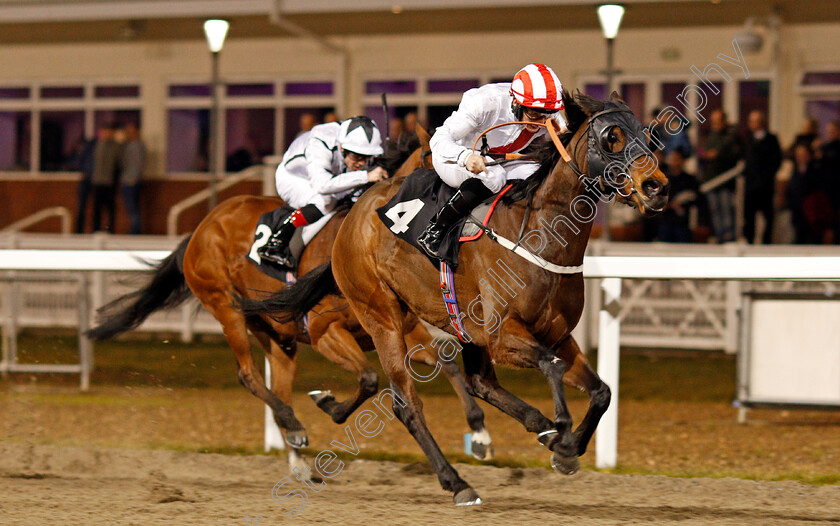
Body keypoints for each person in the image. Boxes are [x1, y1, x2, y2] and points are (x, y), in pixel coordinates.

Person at [418, 63, 568, 257]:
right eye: (533, 114)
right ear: (516, 101)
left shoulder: (546, 108)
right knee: (495, 176)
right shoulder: (486, 103)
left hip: (498, 159)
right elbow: (439, 139)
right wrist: (466, 157)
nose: (539, 122)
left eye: (545, 116)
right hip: (454, 159)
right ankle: (435, 230)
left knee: (537, 172)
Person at [258, 116, 387, 266]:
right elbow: (322, 185)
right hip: (294, 178)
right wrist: (365, 175)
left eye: (366, 157)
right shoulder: (320, 142)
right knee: (324, 202)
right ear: (342, 147)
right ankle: (276, 242)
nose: (361, 163)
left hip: (328, 176)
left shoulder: (350, 143)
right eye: (356, 156)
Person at [700, 109, 742, 242]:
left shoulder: (731, 136)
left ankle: (729, 235)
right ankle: (719, 235)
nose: (716, 124)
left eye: (718, 121)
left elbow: (734, 154)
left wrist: (718, 154)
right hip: (712, 180)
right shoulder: (711, 137)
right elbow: (705, 152)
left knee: (727, 209)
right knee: (715, 210)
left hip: (725, 181)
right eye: (714, 121)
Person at [742, 110, 782, 244]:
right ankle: (749, 240)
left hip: (766, 185)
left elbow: (776, 160)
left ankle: (766, 242)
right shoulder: (748, 139)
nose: (751, 124)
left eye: (754, 121)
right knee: (749, 216)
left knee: (767, 216)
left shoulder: (771, 139)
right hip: (751, 185)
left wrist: (766, 175)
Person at [657, 150, 700, 243]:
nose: (674, 162)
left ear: (683, 161)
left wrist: (679, 205)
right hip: (665, 222)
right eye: (672, 159)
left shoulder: (690, 180)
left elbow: (696, 198)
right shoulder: (663, 179)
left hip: (682, 223)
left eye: (677, 159)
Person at [91, 123, 122, 233]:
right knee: (97, 207)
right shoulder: (97, 145)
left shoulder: (116, 147)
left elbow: (119, 164)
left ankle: (111, 230)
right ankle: (95, 229)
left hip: (109, 182)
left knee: (110, 207)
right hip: (98, 181)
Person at [120, 122, 145, 235]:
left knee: (133, 208)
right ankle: (134, 229)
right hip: (127, 179)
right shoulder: (128, 145)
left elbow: (139, 164)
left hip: (131, 181)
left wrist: (133, 178)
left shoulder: (138, 146)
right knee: (130, 207)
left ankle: (135, 231)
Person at [74, 136, 97, 233]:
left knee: (94, 207)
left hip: (96, 180)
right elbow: (80, 161)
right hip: (88, 179)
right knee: (82, 206)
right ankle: (79, 230)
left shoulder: (100, 146)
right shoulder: (90, 147)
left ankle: (93, 229)